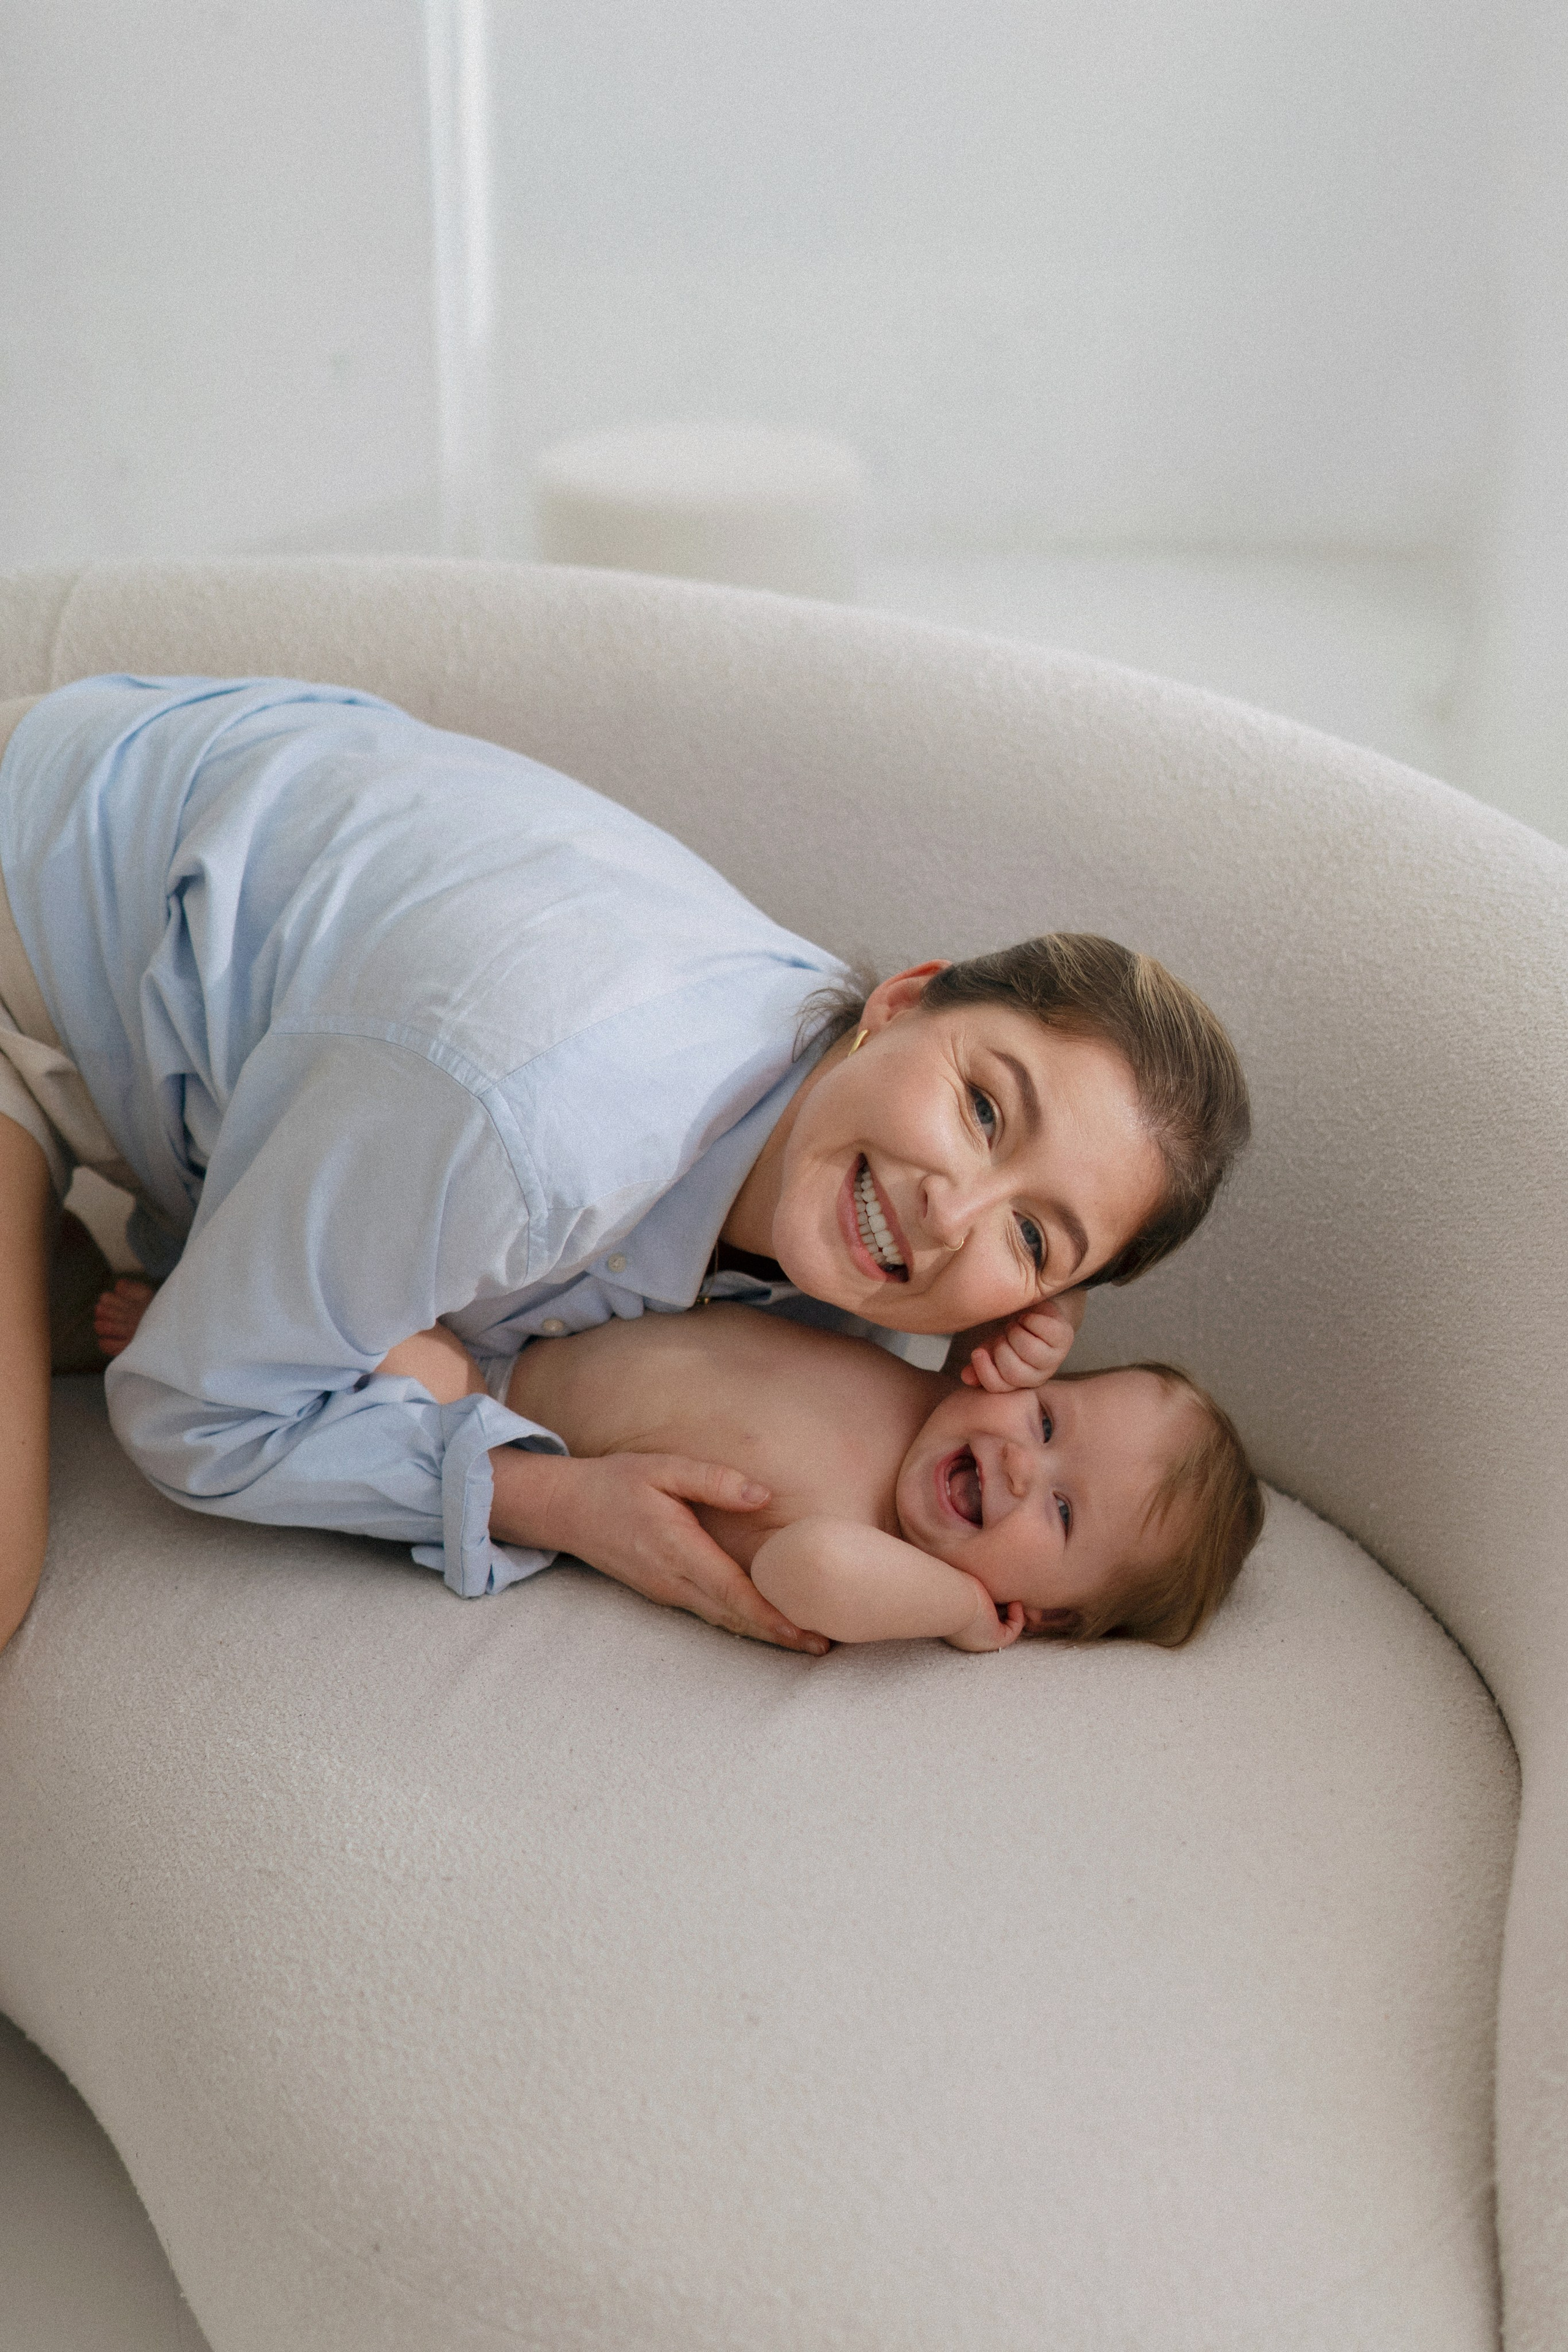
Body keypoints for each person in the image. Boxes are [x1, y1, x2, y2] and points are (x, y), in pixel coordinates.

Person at [0, 676, 1250, 1659]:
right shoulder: (534, 1121)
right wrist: (550, 1501)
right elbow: (193, 1408)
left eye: (1035, 1238)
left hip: (187, 973)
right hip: (38, 922)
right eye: (983, 1108)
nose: (951, 1208)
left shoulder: (826, 1146)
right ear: (903, 1000)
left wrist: (1009, 1313)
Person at [367, 1305, 1262, 1651]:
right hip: (547, 1301)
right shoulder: (952, 1394)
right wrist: (1030, 1322)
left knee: (349, 1351)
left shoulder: (896, 1569)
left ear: (1044, 1612)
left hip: (488, 1414)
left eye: (1064, 1512)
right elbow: (987, 1295)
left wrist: (955, 1610)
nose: (1024, 1465)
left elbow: (811, 1573)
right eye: (1048, 1418)